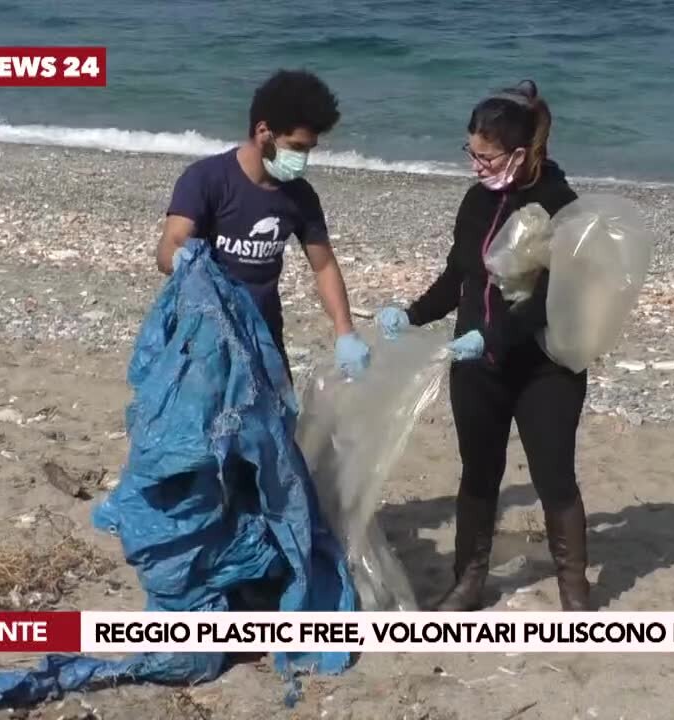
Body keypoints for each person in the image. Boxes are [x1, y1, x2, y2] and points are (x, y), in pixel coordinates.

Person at [376, 80, 592, 611]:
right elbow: (458, 276)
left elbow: (552, 300)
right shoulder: (475, 202)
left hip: (546, 367)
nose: (476, 163)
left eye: (486, 155)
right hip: (477, 367)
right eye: (470, 152)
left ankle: (575, 589)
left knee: (554, 475)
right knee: (478, 473)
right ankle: (468, 582)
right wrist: (412, 314)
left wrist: (491, 337)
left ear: (519, 153)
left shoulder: (560, 205)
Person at [156, 69, 369, 382]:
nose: (303, 159)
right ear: (263, 131)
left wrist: (345, 331)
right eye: (296, 147)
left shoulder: (299, 195)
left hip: (265, 335)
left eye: (309, 149)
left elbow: (323, 266)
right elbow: (168, 248)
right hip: (203, 337)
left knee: (275, 427)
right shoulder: (207, 179)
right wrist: (181, 259)